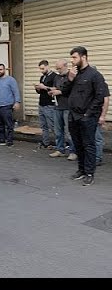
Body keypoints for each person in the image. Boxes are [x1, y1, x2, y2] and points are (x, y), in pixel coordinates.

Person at [60, 46, 108, 186]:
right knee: (78, 144)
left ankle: (89, 173)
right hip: (73, 116)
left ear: (83, 57)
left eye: (74, 57)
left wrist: (88, 114)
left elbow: (100, 97)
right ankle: (81, 170)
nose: (72, 61)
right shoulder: (73, 74)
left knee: (89, 145)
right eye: (71, 58)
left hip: (87, 117)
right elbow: (64, 92)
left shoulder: (94, 75)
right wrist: (70, 79)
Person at [47, 59, 77, 160]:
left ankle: (73, 151)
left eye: (59, 68)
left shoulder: (71, 75)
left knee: (69, 131)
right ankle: (60, 149)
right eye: (57, 68)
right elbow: (56, 87)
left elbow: (73, 90)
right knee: (58, 131)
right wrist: (52, 91)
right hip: (57, 106)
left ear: (65, 66)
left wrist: (59, 92)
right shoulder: (57, 77)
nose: (58, 70)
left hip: (68, 107)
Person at [0, 63, 20, 147]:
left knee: (9, 124)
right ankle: (1, 140)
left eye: (1, 69)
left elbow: (16, 91)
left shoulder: (10, 80)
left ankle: (10, 141)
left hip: (7, 105)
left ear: (4, 70)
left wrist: (17, 101)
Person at [34, 60, 57, 149]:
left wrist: (45, 87)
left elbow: (56, 89)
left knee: (52, 125)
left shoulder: (54, 76)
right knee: (43, 126)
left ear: (48, 66)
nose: (42, 71)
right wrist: (38, 88)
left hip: (49, 104)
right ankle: (46, 142)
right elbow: (41, 92)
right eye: (40, 69)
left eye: (43, 68)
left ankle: (59, 144)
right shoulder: (42, 77)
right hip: (42, 103)